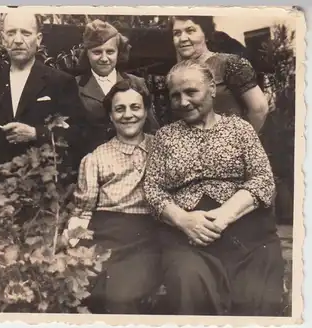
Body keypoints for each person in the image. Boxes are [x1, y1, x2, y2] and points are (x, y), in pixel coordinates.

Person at [142, 60, 284, 316]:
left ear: (212, 89)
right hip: (187, 235)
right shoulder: (165, 136)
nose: (183, 102)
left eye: (191, 92)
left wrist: (224, 215)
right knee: (188, 280)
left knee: (257, 290)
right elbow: (153, 190)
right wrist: (183, 220)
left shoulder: (240, 128)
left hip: (246, 228)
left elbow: (263, 179)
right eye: (175, 96)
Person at [65, 78, 163, 314]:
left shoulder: (163, 147)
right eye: (119, 109)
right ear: (110, 116)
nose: (128, 115)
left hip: (146, 234)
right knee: (84, 287)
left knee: (122, 296)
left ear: (146, 111)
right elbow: (83, 209)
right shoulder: (96, 157)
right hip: (105, 230)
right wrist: (71, 241)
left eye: (135, 107)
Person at [0, 12, 88, 174]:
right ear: (3, 39)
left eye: (26, 33)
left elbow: (80, 131)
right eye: (11, 33)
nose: (18, 40)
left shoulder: (60, 82)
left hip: (44, 182)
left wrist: (36, 133)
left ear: (38, 39)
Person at [169, 16, 269, 133]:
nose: (183, 38)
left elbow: (259, 109)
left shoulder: (229, 63)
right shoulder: (176, 73)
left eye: (190, 31)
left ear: (205, 34)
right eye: (177, 33)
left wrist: (240, 142)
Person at [75, 19, 160, 156]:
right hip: (93, 159)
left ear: (118, 53)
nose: (104, 58)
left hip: (135, 157)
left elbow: (152, 128)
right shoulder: (75, 86)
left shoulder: (136, 83)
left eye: (110, 52)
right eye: (97, 52)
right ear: (87, 53)